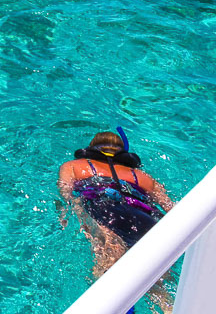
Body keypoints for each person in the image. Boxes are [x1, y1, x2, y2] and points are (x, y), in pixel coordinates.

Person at [58, 131, 174, 312]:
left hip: (106, 212)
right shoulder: (143, 177)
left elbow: (66, 193)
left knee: (108, 271)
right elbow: (171, 208)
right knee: (156, 284)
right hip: (146, 221)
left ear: (90, 148)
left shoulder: (74, 166)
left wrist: (67, 216)